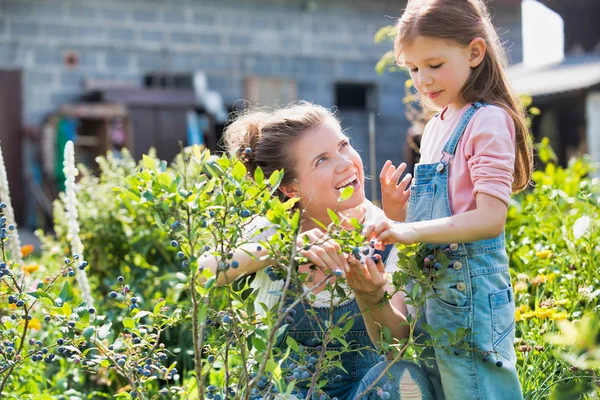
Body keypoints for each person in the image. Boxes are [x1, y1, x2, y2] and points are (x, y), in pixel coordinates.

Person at [199, 102, 435, 399]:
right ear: (291, 188)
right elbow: (202, 271)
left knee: (404, 378)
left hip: (362, 392)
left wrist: (372, 296)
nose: (346, 163)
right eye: (322, 160)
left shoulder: (385, 229)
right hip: (280, 393)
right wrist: (284, 248)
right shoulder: (276, 228)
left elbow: (396, 346)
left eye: (344, 145)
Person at [366, 1, 533, 399]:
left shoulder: (488, 119)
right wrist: (398, 213)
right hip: (433, 290)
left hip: (470, 293)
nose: (423, 79)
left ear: (474, 53)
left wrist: (410, 229)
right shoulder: (438, 125)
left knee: (477, 390)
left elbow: (490, 218)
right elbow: (443, 212)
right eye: (413, 68)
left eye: (435, 65)